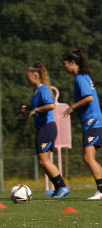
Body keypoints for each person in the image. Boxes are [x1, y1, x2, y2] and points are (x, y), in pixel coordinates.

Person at [61, 49, 102, 200]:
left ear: (72, 63)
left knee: (88, 157)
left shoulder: (80, 78)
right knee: (91, 157)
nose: (64, 68)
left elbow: (88, 97)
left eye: (65, 65)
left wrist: (72, 107)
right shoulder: (85, 76)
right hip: (94, 121)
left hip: (92, 122)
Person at [21, 62, 71, 198]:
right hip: (43, 127)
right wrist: (30, 109)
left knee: (44, 160)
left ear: (35, 75)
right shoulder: (37, 90)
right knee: (43, 161)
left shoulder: (42, 89)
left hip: (47, 128)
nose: (27, 80)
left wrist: (36, 109)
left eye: (28, 77)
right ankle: (59, 187)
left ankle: (62, 187)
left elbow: (50, 105)